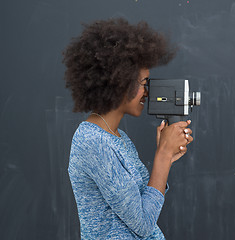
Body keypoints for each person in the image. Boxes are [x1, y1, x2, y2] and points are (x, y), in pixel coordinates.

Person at [63, 18, 193, 239]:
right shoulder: (94, 143)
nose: (148, 92)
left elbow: (144, 206)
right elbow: (142, 225)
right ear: (120, 81)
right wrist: (162, 156)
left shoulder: (117, 137)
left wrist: (168, 154)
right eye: (144, 83)